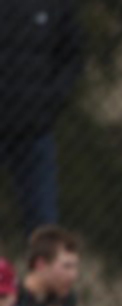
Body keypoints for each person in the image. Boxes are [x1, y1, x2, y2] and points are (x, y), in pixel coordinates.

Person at [0, 0, 83, 234]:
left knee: (43, 224)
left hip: (34, 130)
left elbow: (71, 56)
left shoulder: (57, 5)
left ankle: (42, 268)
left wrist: (48, 102)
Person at [17, 224, 82, 306]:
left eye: (75, 266)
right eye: (67, 266)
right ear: (40, 264)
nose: (74, 275)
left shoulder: (66, 301)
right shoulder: (12, 301)